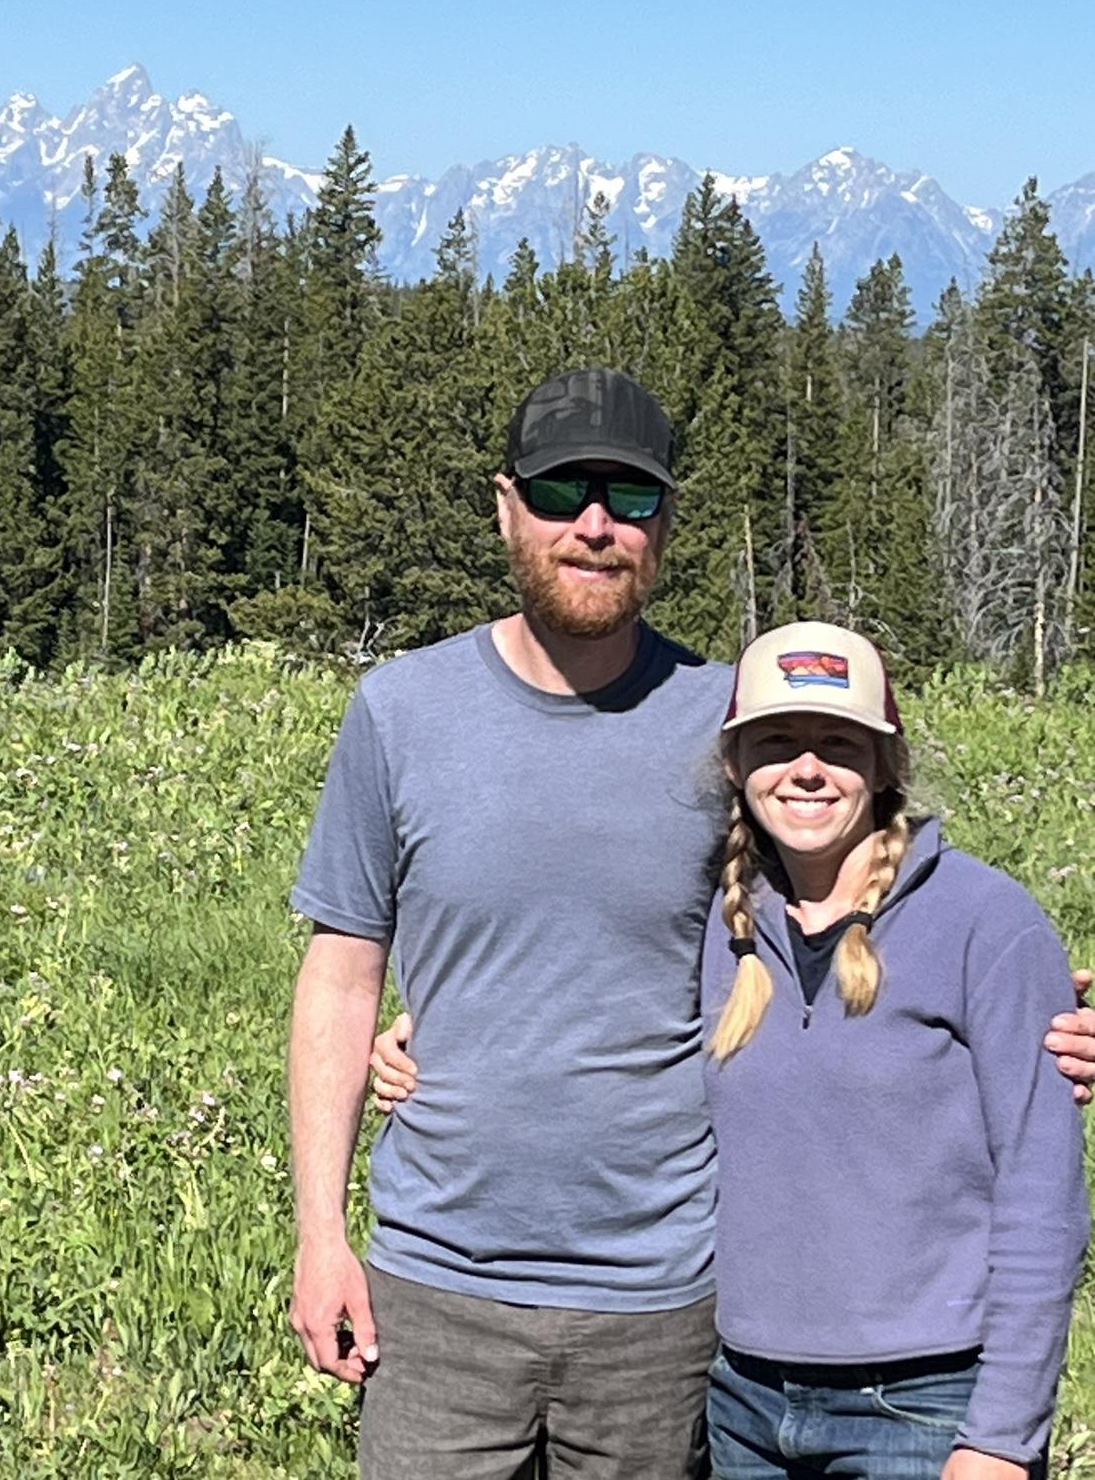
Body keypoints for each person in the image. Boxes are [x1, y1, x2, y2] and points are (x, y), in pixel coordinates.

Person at [286, 367, 1095, 1480]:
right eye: (563, 491)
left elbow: (873, 892)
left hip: (665, 1305)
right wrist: (321, 1236)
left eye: (632, 498)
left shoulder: (735, 724)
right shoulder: (400, 711)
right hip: (437, 1290)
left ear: (666, 524)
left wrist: (1043, 1015)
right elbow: (341, 973)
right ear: (506, 505)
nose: (596, 525)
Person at [375, 621, 1089, 1478]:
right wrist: (435, 1035)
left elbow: (1043, 1196)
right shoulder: (725, 922)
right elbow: (595, 997)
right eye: (776, 742)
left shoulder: (985, 923)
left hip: (923, 1406)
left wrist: (1002, 1436)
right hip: (744, 1401)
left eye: (840, 744)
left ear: (885, 766)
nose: (807, 769)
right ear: (735, 765)